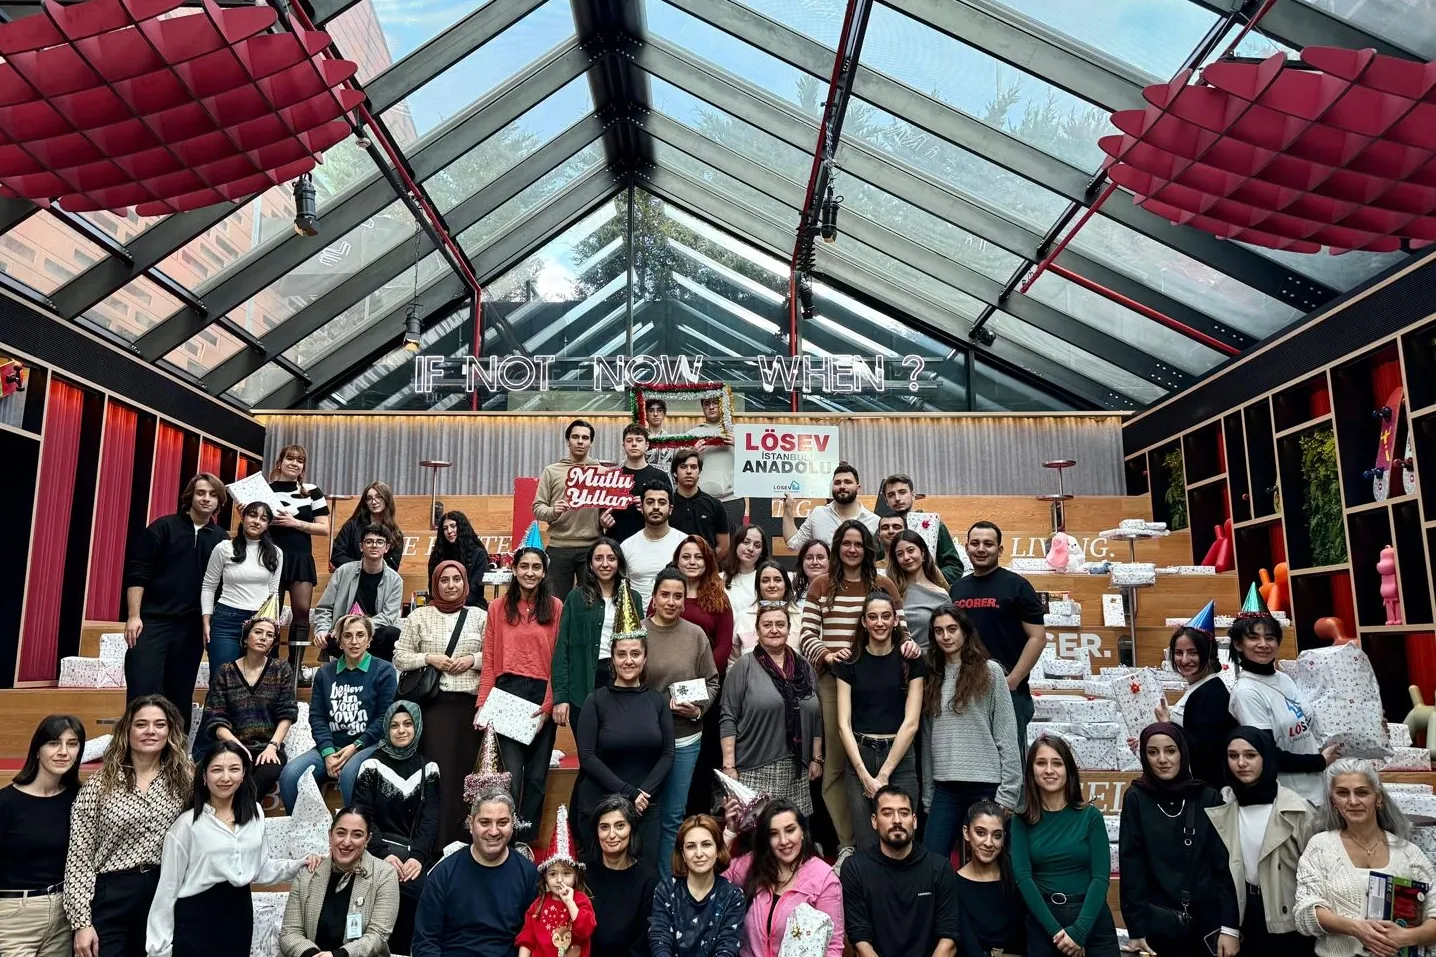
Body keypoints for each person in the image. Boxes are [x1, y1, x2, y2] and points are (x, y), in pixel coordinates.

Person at [799, 520, 907, 860]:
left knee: (878, 760)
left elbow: (901, 630)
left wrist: (908, 647)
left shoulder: (884, 584)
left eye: (858, 544)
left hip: (879, 682)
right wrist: (828, 656)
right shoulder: (821, 585)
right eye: (846, 543)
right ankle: (848, 842)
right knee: (836, 765)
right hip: (834, 681)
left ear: (868, 548)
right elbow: (806, 635)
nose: (852, 549)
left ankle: (882, 838)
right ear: (837, 547)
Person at [145, 741, 303, 957]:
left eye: (234, 769)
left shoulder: (255, 813)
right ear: (204, 776)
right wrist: (159, 950)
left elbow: (261, 868)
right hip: (196, 918)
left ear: (244, 774)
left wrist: (300, 865)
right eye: (217, 770)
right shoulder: (186, 825)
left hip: (239, 914)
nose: (226, 777)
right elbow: (167, 889)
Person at [65, 695, 192, 957]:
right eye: (141, 724)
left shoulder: (186, 780)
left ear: (170, 731)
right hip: (112, 893)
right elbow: (80, 855)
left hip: (165, 890)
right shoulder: (100, 784)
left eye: (159, 724)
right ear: (127, 730)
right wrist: (81, 922)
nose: (150, 731)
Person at [1119, 723, 1239, 957]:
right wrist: (1136, 928)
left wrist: (1229, 927)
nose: (1162, 759)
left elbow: (1224, 867)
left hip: (1208, 920)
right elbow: (1132, 866)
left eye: (1170, 751)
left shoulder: (1207, 797)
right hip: (1160, 922)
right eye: (1152, 752)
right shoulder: (1136, 798)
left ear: (1182, 753)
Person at [1295, 759, 1436, 957]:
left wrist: (1406, 937)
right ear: (1333, 801)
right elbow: (1305, 911)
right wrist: (1356, 928)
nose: (1353, 801)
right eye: (1342, 793)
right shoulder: (1320, 847)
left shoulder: (1408, 852)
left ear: (1378, 799)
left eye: (1362, 792)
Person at [123, 473, 229, 729]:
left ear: (219, 502)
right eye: (201, 493)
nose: (206, 498)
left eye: (213, 495)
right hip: (153, 622)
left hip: (191, 628)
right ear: (190, 496)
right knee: (143, 691)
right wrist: (134, 616)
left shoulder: (222, 539)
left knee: (180, 695)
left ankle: (176, 753)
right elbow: (138, 572)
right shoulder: (163, 527)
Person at [474, 545, 563, 846]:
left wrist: (549, 705)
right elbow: (489, 659)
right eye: (524, 566)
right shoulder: (497, 607)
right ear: (514, 569)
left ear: (544, 572)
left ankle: (525, 841)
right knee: (511, 776)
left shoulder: (556, 607)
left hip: (541, 694)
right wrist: (482, 704)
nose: (530, 573)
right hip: (507, 693)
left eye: (536, 567)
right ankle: (506, 842)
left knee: (536, 778)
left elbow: (559, 660)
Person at [393, 560, 486, 847]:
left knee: (465, 778)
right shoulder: (419, 616)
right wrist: (429, 658)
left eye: (456, 579)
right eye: (444, 580)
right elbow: (399, 657)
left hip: (471, 710)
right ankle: (433, 844)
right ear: (435, 584)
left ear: (465, 583)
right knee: (437, 776)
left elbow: (496, 656)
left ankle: (466, 842)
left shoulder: (480, 616)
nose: (450, 585)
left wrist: (472, 660)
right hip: (434, 709)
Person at [1207, 726, 1318, 957]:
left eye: (1250, 755)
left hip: (1289, 918)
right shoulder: (1223, 805)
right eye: (1233, 756)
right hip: (1245, 914)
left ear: (1265, 757)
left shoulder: (1298, 810)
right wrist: (1229, 926)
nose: (1241, 763)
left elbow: (1317, 873)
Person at [921, 604, 1021, 857]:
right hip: (945, 787)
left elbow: (1007, 733)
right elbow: (928, 738)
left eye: (952, 629)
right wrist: (929, 794)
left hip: (986, 786)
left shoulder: (990, 672)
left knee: (991, 862)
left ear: (965, 631)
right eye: (939, 631)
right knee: (932, 861)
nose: (946, 636)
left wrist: (1008, 793)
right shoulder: (931, 676)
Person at [1011, 736, 1120, 957]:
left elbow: (1100, 877)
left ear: (1068, 770)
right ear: (1031, 770)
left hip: (1091, 919)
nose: (1049, 770)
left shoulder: (1091, 816)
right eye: (1041, 763)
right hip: (1045, 923)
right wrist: (1056, 932)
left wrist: (1079, 932)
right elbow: (1023, 878)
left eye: (1057, 763)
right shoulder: (1020, 820)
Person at [644, 567, 721, 878]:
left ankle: (666, 884)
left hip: (685, 736)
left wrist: (698, 711)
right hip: (646, 739)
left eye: (678, 596)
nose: (671, 601)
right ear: (653, 598)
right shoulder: (638, 632)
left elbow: (712, 681)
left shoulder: (696, 635)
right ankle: (643, 883)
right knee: (646, 812)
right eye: (665, 595)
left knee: (674, 815)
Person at [573, 625, 675, 858]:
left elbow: (668, 753)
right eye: (621, 654)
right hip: (601, 805)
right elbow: (587, 756)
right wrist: (630, 793)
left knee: (645, 874)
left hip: (645, 806)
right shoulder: (595, 701)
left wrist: (643, 793)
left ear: (645, 658)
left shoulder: (657, 701)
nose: (628, 661)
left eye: (635, 654)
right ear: (612, 659)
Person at [278, 614, 398, 812]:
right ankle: (307, 829)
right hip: (331, 747)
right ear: (340, 642)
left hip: (369, 745)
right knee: (291, 775)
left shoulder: (384, 670)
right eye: (347, 636)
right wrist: (328, 753)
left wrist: (355, 747)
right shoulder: (325, 673)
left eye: (360, 635)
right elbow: (317, 717)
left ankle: (357, 829)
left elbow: (384, 718)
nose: (354, 641)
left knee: (350, 774)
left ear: (369, 640)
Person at [835, 592, 925, 851]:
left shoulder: (911, 661)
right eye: (872, 617)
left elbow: (912, 722)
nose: (879, 622)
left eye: (886, 616)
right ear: (864, 622)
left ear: (896, 620)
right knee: (866, 845)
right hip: (860, 757)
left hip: (900, 757)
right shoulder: (849, 661)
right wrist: (864, 775)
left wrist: (884, 774)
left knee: (902, 840)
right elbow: (843, 724)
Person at [351, 701, 440, 955]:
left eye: (408, 724)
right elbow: (362, 816)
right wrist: (383, 854)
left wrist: (417, 857)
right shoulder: (371, 766)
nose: (401, 730)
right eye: (394, 725)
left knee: (421, 893)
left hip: (412, 854)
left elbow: (430, 819)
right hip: (375, 850)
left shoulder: (429, 769)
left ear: (417, 727)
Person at [948, 521, 1046, 749]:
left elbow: (1038, 638)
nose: (981, 549)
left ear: (1000, 550)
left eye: (988, 544)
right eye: (975, 543)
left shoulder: (1018, 586)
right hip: (965, 691)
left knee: (1010, 761)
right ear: (966, 547)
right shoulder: (957, 589)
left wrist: (1012, 681)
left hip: (1009, 693)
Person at [720, 604, 823, 815]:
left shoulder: (804, 667)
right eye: (767, 625)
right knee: (757, 830)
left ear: (789, 629)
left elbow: (816, 716)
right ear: (757, 631)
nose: (774, 630)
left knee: (792, 829)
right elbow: (728, 717)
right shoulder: (744, 666)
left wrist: (816, 758)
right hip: (754, 766)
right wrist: (729, 765)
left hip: (798, 769)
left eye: (780, 624)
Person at [1228, 613, 1338, 807]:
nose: (1263, 644)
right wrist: (1319, 761)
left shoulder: (1283, 678)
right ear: (1238, 644)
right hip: (1289, 799)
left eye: (1269, 637)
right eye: (1253, 637)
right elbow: (1267, 754)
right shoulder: (1246, 692)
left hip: (1318, 789)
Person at [414, 789, 538, 957]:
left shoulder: (528, 874)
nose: (494, 831)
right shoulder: (444, 873)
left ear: (513, 824)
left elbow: (536, 937)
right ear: (471, 824)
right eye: (485, 822)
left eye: (502, 822)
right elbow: (425, 941)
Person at [840, 785, 961, 957]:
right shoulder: (855, 868)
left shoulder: (939, 867)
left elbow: (949, 939)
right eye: (887, 813)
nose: (897, 820)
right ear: (874, 821)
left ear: (914, 820)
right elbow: (860, 942)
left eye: (904, 813)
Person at [0, 715, 85, 957]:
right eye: (54, 743)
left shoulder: (79, 799)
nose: (63, 752)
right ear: (37, 750)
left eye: (72, 744)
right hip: (14, 916)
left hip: (62, 916)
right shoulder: (6, 802)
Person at [723, 799, 844, 957]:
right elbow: (712, 877)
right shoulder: (753, 863)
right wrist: (730, 832)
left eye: (790, 830)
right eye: (774, 834)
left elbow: (833, 947)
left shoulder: (824, 878)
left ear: (802, 832)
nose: (783, 841)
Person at [279, 806, 400, 957]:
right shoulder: (308, 873)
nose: (347, 842)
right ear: (330, 835)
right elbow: (289, 932)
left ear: (367, 839)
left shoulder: (385, 874)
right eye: (341, 833)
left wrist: (337, 955)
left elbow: (378, 935)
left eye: (357, 835)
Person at [198, 615, 296, 800]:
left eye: (269, 635)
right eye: (258, 632)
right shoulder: (225, 671)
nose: (263, 638)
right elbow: (216, 718)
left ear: (273, 643)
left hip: (268, 747)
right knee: (228, 773)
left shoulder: (281, 669)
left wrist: (272, 746)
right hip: (231, 745)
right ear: (245, 638)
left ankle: (240, 813)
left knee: (266, 774)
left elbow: (287, 713)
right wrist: (238, 747)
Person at [674, 535, 734, 817]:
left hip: (707, 691)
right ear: (677, 561)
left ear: (708, 561)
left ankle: (699, 818)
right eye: (686, 556)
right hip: (668, 688)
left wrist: (700, 681)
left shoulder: (718, 597)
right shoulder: (667, 593)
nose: (692, 562)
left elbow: (724, 644)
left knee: (703, 756)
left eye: (698, 557)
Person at [553, 538, 640, 729]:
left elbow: (641, 646)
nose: (605, 564)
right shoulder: (575, 598)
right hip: (583, 684)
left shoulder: (633, 598)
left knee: (618, 742)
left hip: (622, 680)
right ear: (590, 564)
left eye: (611, 558)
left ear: (619, 562)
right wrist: (561, 696)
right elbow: (562, 648)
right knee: (588, 745)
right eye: (598, 558)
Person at [267, 444, 331, 675]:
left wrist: (294, 523)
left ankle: (294, 668)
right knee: (269, 613)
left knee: (302, 612)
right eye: (290, 458)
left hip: (300, 558)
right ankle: (271, 665)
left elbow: (324, 528)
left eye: (300, 460)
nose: (294, 463)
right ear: (280, 462)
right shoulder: (266, 490)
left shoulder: (312, 491)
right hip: (271, 558)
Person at [1155, 611, 1235, 788]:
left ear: (1209, 654)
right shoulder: (1199, 687)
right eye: (1178, 653)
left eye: (1193, 652)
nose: (1184, 660)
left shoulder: (1211, 693)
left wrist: (1167, 725)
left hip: (1207, 790)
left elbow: (1204, 750)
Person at [200, 501, 281, 674]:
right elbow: (209, 586)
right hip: (226, 619)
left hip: (260, 621)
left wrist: (271, 626)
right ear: (243, 518)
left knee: (255, 680)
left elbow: (274, 593)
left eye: (263, 519)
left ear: (268, 525)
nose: (257, 521)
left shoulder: (276, 553)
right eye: (252, 515)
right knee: (222, 678)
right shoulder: (223, 548)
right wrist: (206, 621)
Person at [650, 814, 746, 957]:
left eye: (706, 844)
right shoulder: (666, 890)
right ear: (683, 854)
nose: (699, 853)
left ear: (718, 850)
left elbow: (727, 947)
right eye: (691, 846)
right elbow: (660, 940)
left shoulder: (733, 896)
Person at [312, 526, 405, 661]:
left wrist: (358, 626)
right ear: (361, 547)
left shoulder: (395, 580)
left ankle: (377, 671)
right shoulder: (343, 571)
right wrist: (322, 630)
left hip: (373, 635)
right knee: (330, 638)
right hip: (343, 634)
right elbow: (324, 608)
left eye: (380, 542)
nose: (374, 545)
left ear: (387, 548)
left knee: (392, 633)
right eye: (369, 541)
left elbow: (387, 617)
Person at [533, 419, 603, 598]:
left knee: (591, 601)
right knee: (555, 603)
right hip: (559, 547)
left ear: (591, 442)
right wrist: (553, 511)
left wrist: (605, 520)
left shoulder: (602, 473)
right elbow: (537, 508)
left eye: (585, 438)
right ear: (567, 441)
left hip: (592, 547)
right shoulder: (551, 471)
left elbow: (609, 509)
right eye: (575, 437)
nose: (580, 441)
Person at [583, 796, 658, 957]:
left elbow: (644, 942)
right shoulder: (582, 871)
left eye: (620, 826)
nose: (612, 835)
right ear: (596, 832)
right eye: (604, 827)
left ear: (632, 829)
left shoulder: (648, 879)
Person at [516, 817, 596, 957]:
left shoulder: (581, 901)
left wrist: (569, 902)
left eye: (566, 873)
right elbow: (527, 938)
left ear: (576, 876)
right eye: (553, 874)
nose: (559, 880)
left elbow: (585, 931)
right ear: (545, 878)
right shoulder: (537, 905)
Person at [955, 800, 1025, 957]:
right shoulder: (953, 883)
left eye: (997, 836)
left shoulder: (1017, 877)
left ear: (1004, 838)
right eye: (980, 833)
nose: (988, 843)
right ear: (966, 832)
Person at [881, 473, 966, 585]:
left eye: (902, 492)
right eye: (891, 495)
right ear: (886, 500)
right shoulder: (883, 531)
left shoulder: (934, 524)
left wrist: (929, 579)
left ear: (913, 495)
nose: (897, 498)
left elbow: (954, 567)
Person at [782, 463, 879, 551]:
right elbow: (794, 543)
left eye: (848, 482)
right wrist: (787, 508)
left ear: (858, 488)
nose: (842, 486)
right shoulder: (818, 514)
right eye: (837, 483)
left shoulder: (874, 521)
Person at [622, 485, 690, 608]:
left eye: (662, 502)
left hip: (678, 615)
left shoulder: (685, 543)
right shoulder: (627, 546)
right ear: (642, 507)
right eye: (650, 502)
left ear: (670, 509)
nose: (656, 507)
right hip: (638, 617)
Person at [610, 423, 673, 544]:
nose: (634, 444)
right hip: (618, 542)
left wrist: (649, 504)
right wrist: (603, 522)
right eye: (629, 440)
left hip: (652, 541)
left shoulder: (660, 476)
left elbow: (669, 511)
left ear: (647, 445)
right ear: (623, 445)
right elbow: (604, 512)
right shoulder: (613, 477)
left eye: (639, 440)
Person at [886, 531, 949, 651]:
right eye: (900, 554)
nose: (906, 557)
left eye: (910, 550)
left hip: (928, 659)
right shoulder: (890, 591)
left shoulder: (941, 595)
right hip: (894, 658)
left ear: (923, 552)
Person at [690, 394, 743, 532]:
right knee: (702, 541)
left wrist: (740, 445)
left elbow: (754, 462)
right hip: (701, 499)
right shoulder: (692, 434)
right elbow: (681, 465)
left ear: (723, 405)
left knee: (733, 541)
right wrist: (692, 453)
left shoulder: (738, 433)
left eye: (715, 402)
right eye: (707, 403)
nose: (711, 407)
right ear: (702, 407)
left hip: (732, 499)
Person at [668, 448, 731, 560]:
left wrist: (705, 564)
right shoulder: (666, 505)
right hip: (672, 567)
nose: (689, 471)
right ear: (674, 473)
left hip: (706, 568)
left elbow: (724, 547)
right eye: (683, 467)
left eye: (693, 467)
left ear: (699, 472)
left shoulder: (715, 505)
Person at [331, 481, 404, 570]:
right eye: (369, 498)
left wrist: (369, 570)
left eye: (378, 497)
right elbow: (337, 555)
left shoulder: (396, 534)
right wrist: (361, 567)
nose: (374, 502)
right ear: (365, 502)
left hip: (380, 578)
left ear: (386, 499)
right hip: (350, 575)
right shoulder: (351, 526)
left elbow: (392, 566)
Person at [735, 560, 801, 656]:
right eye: (765, 581)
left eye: (777, 580)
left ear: (786, 585)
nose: (772, 585)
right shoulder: (743, 618)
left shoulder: (802, 617)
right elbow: (733, 660)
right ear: (758, 586)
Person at [429, 510, 491, 609]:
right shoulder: (438, 554)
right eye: (445, 528)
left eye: (453, 526)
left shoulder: (478, 553)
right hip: (442, 606)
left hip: (471, 606)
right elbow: (433, 588)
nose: (449, 531)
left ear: (462, 527)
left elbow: (474, 591)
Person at [721, 525, 768, 646]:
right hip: (724, 643)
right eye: (746, 542)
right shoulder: (718, 580)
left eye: (757, 545)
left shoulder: (767, 580)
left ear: (762, 552)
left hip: (757, 644)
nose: (750, 548)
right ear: (736, 544)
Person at [645, 397, 676, 475]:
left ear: (664, 414)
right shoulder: (640, 439)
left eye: (659, 410)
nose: (655, 414)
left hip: (666, 481)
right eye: (651, 411)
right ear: (646, 415)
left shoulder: (671, 440)